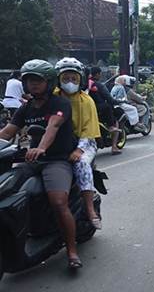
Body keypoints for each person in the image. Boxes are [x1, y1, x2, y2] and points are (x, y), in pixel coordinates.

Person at [0, 59, 82, 269]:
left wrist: (41, 148)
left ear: (49, 81)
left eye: (37, 80)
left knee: (58, 202)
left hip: (56, 160)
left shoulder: (60, 103)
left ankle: (71, 250)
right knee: (8, 190)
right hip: (31, 160)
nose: (32, 85)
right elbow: (8, 132)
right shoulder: (26, 108)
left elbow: (52, 127)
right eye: (29, 81)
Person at [54, 57, 102, 230]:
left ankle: (90, 209)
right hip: (57, 144)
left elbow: (88, 129)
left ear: (80, 79)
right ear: (58, 79)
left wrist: (79, 150)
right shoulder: (52, 97)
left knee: (81, 164)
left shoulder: (86, 101)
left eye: (74, 78)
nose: (70, 82)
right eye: (65, 78)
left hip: (84, 143)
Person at [88, 67, 122, 154]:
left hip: (87, 111)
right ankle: (114, 146)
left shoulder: (85, 84)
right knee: (115, 122)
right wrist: (119, 101)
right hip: (100, 111)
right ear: (98, 74)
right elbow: (109, 99)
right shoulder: (99, 85)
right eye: (100, 74)